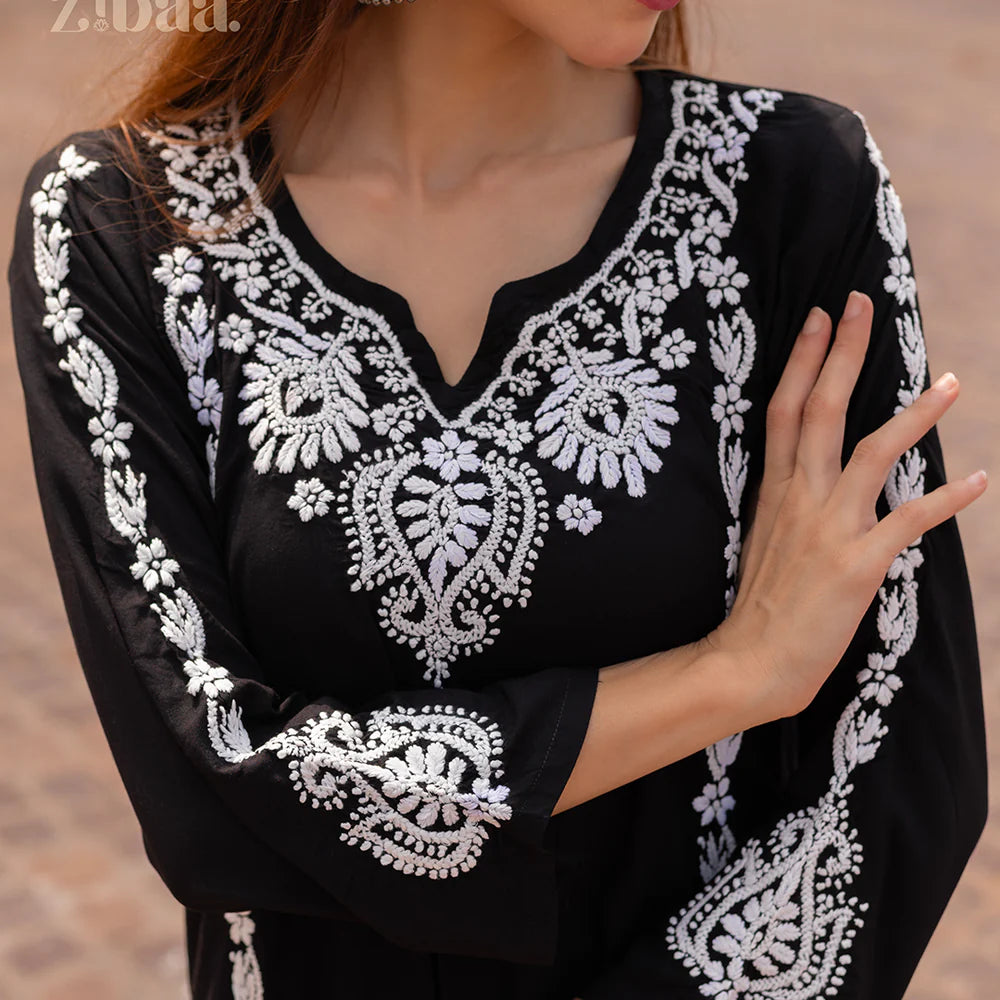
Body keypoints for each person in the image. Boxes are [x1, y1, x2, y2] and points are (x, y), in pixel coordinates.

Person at [6, 1, 989, 998]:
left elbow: (893, 781)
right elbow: (215, 781)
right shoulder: (123, 225)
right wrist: (730, 676)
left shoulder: (786, 190)